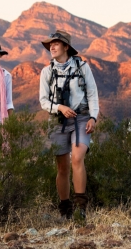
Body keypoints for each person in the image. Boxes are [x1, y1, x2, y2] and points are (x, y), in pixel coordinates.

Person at [39, 30, 99, 224]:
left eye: (56, 43)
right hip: (57, 121)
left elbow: (92, 93)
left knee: (77, 158)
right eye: (50, 44)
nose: (52, 47)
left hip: (81, 119)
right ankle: (65, 208)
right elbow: (43, 101)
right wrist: (59, 107)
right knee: (62, 167)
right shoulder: (47, 72)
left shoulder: (82, 67)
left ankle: (81, 208)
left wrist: (93, 117)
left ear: (66, 47)